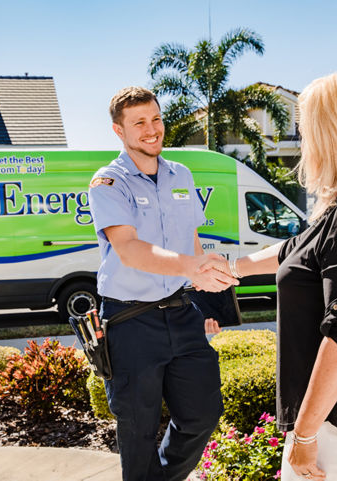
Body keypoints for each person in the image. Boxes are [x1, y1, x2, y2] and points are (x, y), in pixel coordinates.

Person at [200, 73, 337, 480]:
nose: (304, 142)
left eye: (307, 131)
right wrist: (232, 269)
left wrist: (304, 436)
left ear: (333, 135)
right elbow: (296, 250)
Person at [88, 86, 236, 481]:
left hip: (180, 312)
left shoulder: (181, 174)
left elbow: (191, 241)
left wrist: (206, 301)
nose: (152, 129)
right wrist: (192, 266)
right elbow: (130, 249)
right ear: (119, 130)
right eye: (139, 122)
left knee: (203, 414)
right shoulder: (109, 183)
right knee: (137, 430)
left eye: (156, 118)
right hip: (131, 320)